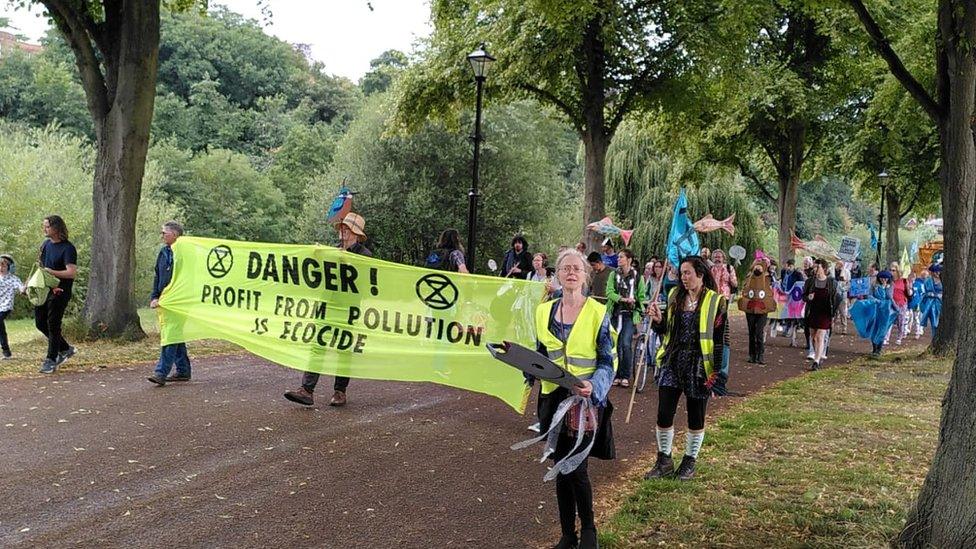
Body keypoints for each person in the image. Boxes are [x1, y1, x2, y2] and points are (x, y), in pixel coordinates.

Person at [533, 249, 615, 549]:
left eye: (576, 269)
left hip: (584, 403)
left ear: (585, 276)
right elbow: (540, 355)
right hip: (553, 401)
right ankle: (568, 534)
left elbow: (609, 361)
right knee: (559, 467)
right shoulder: (543, 311)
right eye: (565, 268)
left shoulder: (598, 312)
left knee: (576, 467)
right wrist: (520, 360)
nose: (570, 272)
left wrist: (595, 386)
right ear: (558, 274)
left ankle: (589, 531)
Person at [645, 255, 730, 481]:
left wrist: (717, 373)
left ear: (700, 274)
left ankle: (689, 462)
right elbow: (666, 331)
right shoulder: (674, 296)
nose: (683, 277)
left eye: (687, 273)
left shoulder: (717, 301)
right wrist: (658, 319)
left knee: (696, 417)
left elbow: (722, 338)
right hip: (673, 361)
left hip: (700, 366)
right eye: (681, 273)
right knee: (664, 413)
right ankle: (664, 461)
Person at [284, 212, 372, 407]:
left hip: (348, 308)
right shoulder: (332, 251)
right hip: (327, 305)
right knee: (318, 346)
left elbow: (364, 282)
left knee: (343, 349)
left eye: (348, 229)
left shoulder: (365, 256)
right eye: (342, 228)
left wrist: (345, 259)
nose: (343, 232)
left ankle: (340, 392)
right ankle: (306, 390)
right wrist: (317, 255)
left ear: (356, 234)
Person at [147, 222, 192, 386]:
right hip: (165, 299)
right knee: (175, 334)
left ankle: (160, 372)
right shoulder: (163, 252)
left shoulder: (186, 253)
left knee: (171, 334)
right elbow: (158, 276)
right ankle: (183, 370)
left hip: (180, 300)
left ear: (174, 234)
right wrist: (154, 296)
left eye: (164, 232)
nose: (162, 235)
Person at [35, 215, 78, 374]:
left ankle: (51, 359)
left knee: (53, 324)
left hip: (60, 291)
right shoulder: (46, 245)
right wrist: (27, 285)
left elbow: (71, 273)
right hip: (44, 290)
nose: (44, 229)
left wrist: (51, 272)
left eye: (46, 226)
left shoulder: (68, 248)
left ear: (56, 228)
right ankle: (66, 349)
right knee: (40, 323)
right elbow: (39, 267)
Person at [606, 248, 646, 388]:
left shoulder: (638, 277)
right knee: (614, 344)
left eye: (622, 257)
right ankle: (615, 374)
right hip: (615, 313)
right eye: (618, 257)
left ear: (629, 260)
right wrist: (621, 298)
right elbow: (609, 292)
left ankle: (625, 375)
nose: (619, 259)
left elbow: (641, 295)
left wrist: (638, 305)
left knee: (626, 344)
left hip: (629, 314)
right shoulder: (613, 274)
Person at [738, 258, 776, 365]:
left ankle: (760, 354)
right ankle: (752, 354)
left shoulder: (769, 277)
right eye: (756, 266)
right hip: (750, 309)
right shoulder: (749, 277)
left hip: (762, 309)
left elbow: (774, 287)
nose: (758, 268)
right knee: (751, 332)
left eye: (760, 266)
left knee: (759, 332)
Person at [850, 271, 897, 357]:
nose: (884, 280)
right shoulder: (874, 285)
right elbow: (870, 296)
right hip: (875, 309)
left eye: (886, 278)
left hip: (885, 311)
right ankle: (874, 349)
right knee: (874, 329)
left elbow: (890, 297)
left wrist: (886, 288)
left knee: (883, 330)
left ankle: (879, 349)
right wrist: (876, 300)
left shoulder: (890, 286)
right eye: (882, 278)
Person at [803, 259, 837, 370]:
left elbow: (836, 298)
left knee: (819, 336)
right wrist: (808, 298)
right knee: (813, 337)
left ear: (824, 268)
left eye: (817, 267)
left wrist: (833, 315)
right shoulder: (810, 281)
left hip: (825, 312)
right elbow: (803, 296)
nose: (815, 269)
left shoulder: (831, 282)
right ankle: (818, 353)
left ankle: (816, 361)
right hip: (812, 311)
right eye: (814, 267)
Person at [0, 254, 24, 359]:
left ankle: (6, 350)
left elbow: (22, 289)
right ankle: (6, 351)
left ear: (9, 267)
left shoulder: (14, 279)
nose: (1, 268)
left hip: (6, 306)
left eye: (3, 266)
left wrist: (26, 287)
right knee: (1, 328)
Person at [885, 262, 912, 346]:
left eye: (893, 270)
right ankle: (886, 338)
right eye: (890, 270)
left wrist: (909, 287)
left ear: (897, 271)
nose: (891, 272)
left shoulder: (903, 281)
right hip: (891, 303)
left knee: (901, 321)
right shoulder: (888, 281)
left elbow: (909, 293)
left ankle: (899, 337)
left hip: (901, 303)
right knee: (889, 321)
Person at [919, 265, 943, 339]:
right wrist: (929, 294)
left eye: (939, 271)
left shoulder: (944, 280)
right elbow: (923, 293)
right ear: (932, 272)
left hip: (941, 303)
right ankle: (934, 338)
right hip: (931, 304)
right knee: (934, 323)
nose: (938, 273)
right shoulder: (928, 281)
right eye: (936, 272)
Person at [907, 270, 927, 338]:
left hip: (917, 304)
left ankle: (918, 331)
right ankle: (907, 330)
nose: (912, 278)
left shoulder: (919, 284)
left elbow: (922, 293)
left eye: (914, 276)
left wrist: (920, 302)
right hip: (909, 304)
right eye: (911, 276)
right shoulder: (907, 284)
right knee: (909, 317)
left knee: (916, 318)